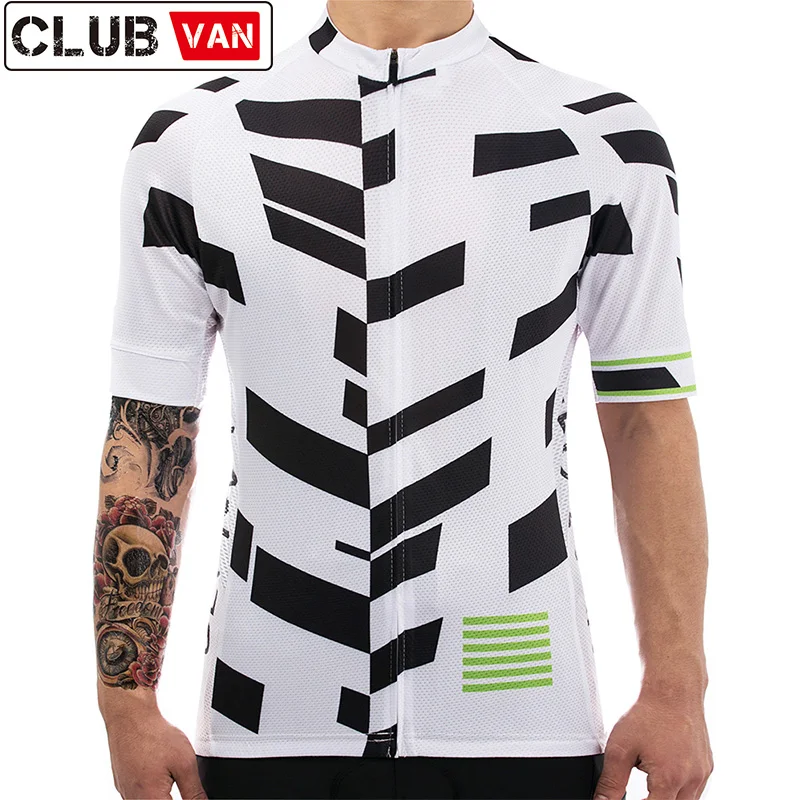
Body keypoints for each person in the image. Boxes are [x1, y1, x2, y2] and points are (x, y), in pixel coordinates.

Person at [94, 1, 713, 798]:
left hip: (519, 708)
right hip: (271, 712)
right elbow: (149, 430)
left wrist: (676, 688)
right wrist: (126, 703)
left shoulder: (601, 137)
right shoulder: (194, 140)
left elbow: (645, 416)